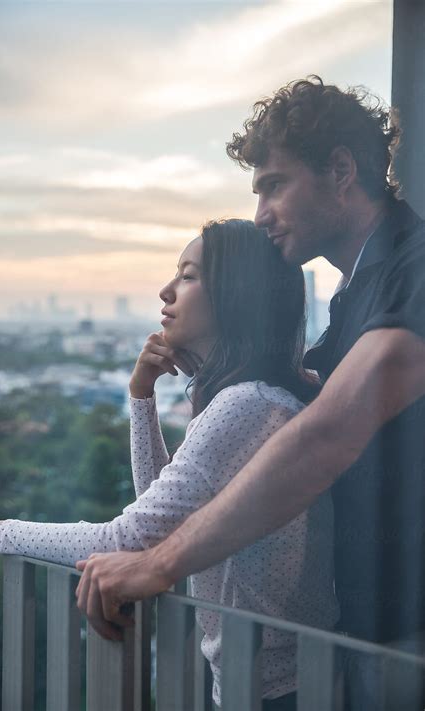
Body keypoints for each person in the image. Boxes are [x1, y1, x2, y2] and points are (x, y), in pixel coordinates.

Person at [62, 78, 425, 709]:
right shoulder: (353, 305)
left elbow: (329, 434)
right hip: (371, 640)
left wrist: (160, 564)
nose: (260, 215)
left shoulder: (415, 271)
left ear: (340, 169)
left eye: (273, 186)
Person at [0, 219, 339, 709]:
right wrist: (141, 397)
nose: (166, 290)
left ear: (235, 295)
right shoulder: (253, 400)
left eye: (189, 276)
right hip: (268, 681)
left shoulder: (249, 405)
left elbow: (128, 539)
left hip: (278, 688)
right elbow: (159, 512)